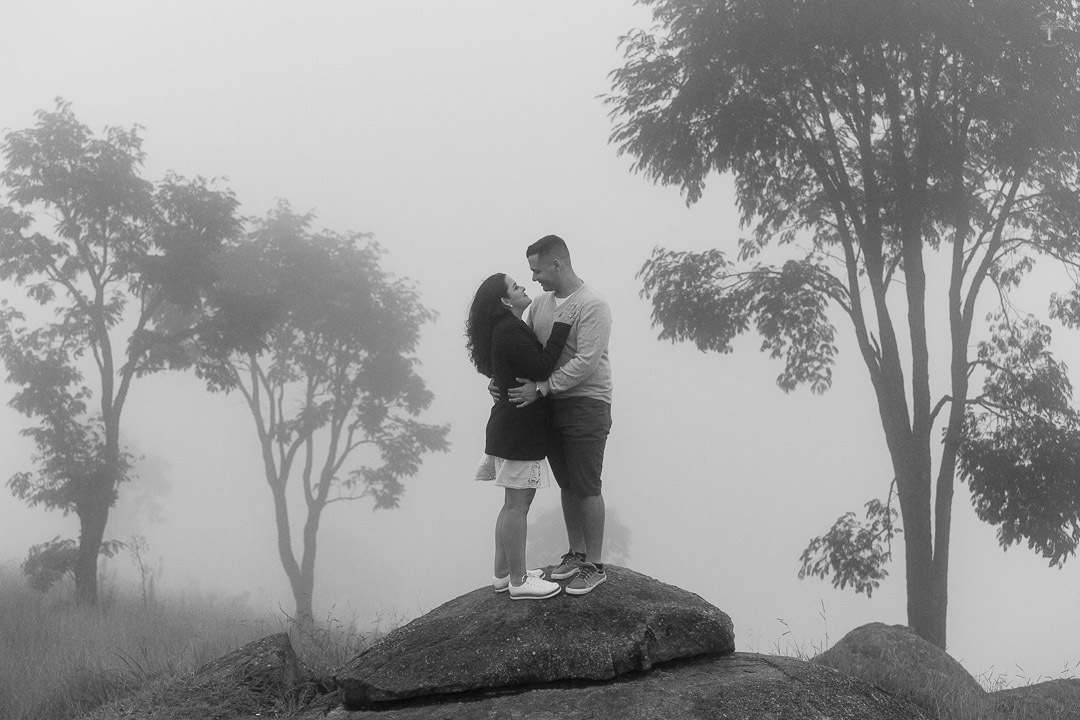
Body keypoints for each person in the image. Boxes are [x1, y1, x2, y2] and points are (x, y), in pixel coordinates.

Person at [507, 234, 613, 596]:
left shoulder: (592, 304)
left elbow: (586, 361)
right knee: (568, 483)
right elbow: (530, 352)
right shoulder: (540, 306)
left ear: (557, 263)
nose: (534, 277)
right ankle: (576, 553)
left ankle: (595, 566)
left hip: (586, 403)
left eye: (537, 269)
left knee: (586, 485)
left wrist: (542, 387)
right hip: (550, 405)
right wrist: (503, 381)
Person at [466, 272, 578, 600]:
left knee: (511, 504)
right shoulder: (510, 329)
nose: (523, 288)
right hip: (518, 430)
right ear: (505, 301)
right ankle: (518, 580)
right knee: (518, 504)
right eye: (516, 287)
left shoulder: (507, 329)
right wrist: (562, 327)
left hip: (509, 427)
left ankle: (503, 574)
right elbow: (542, 367)